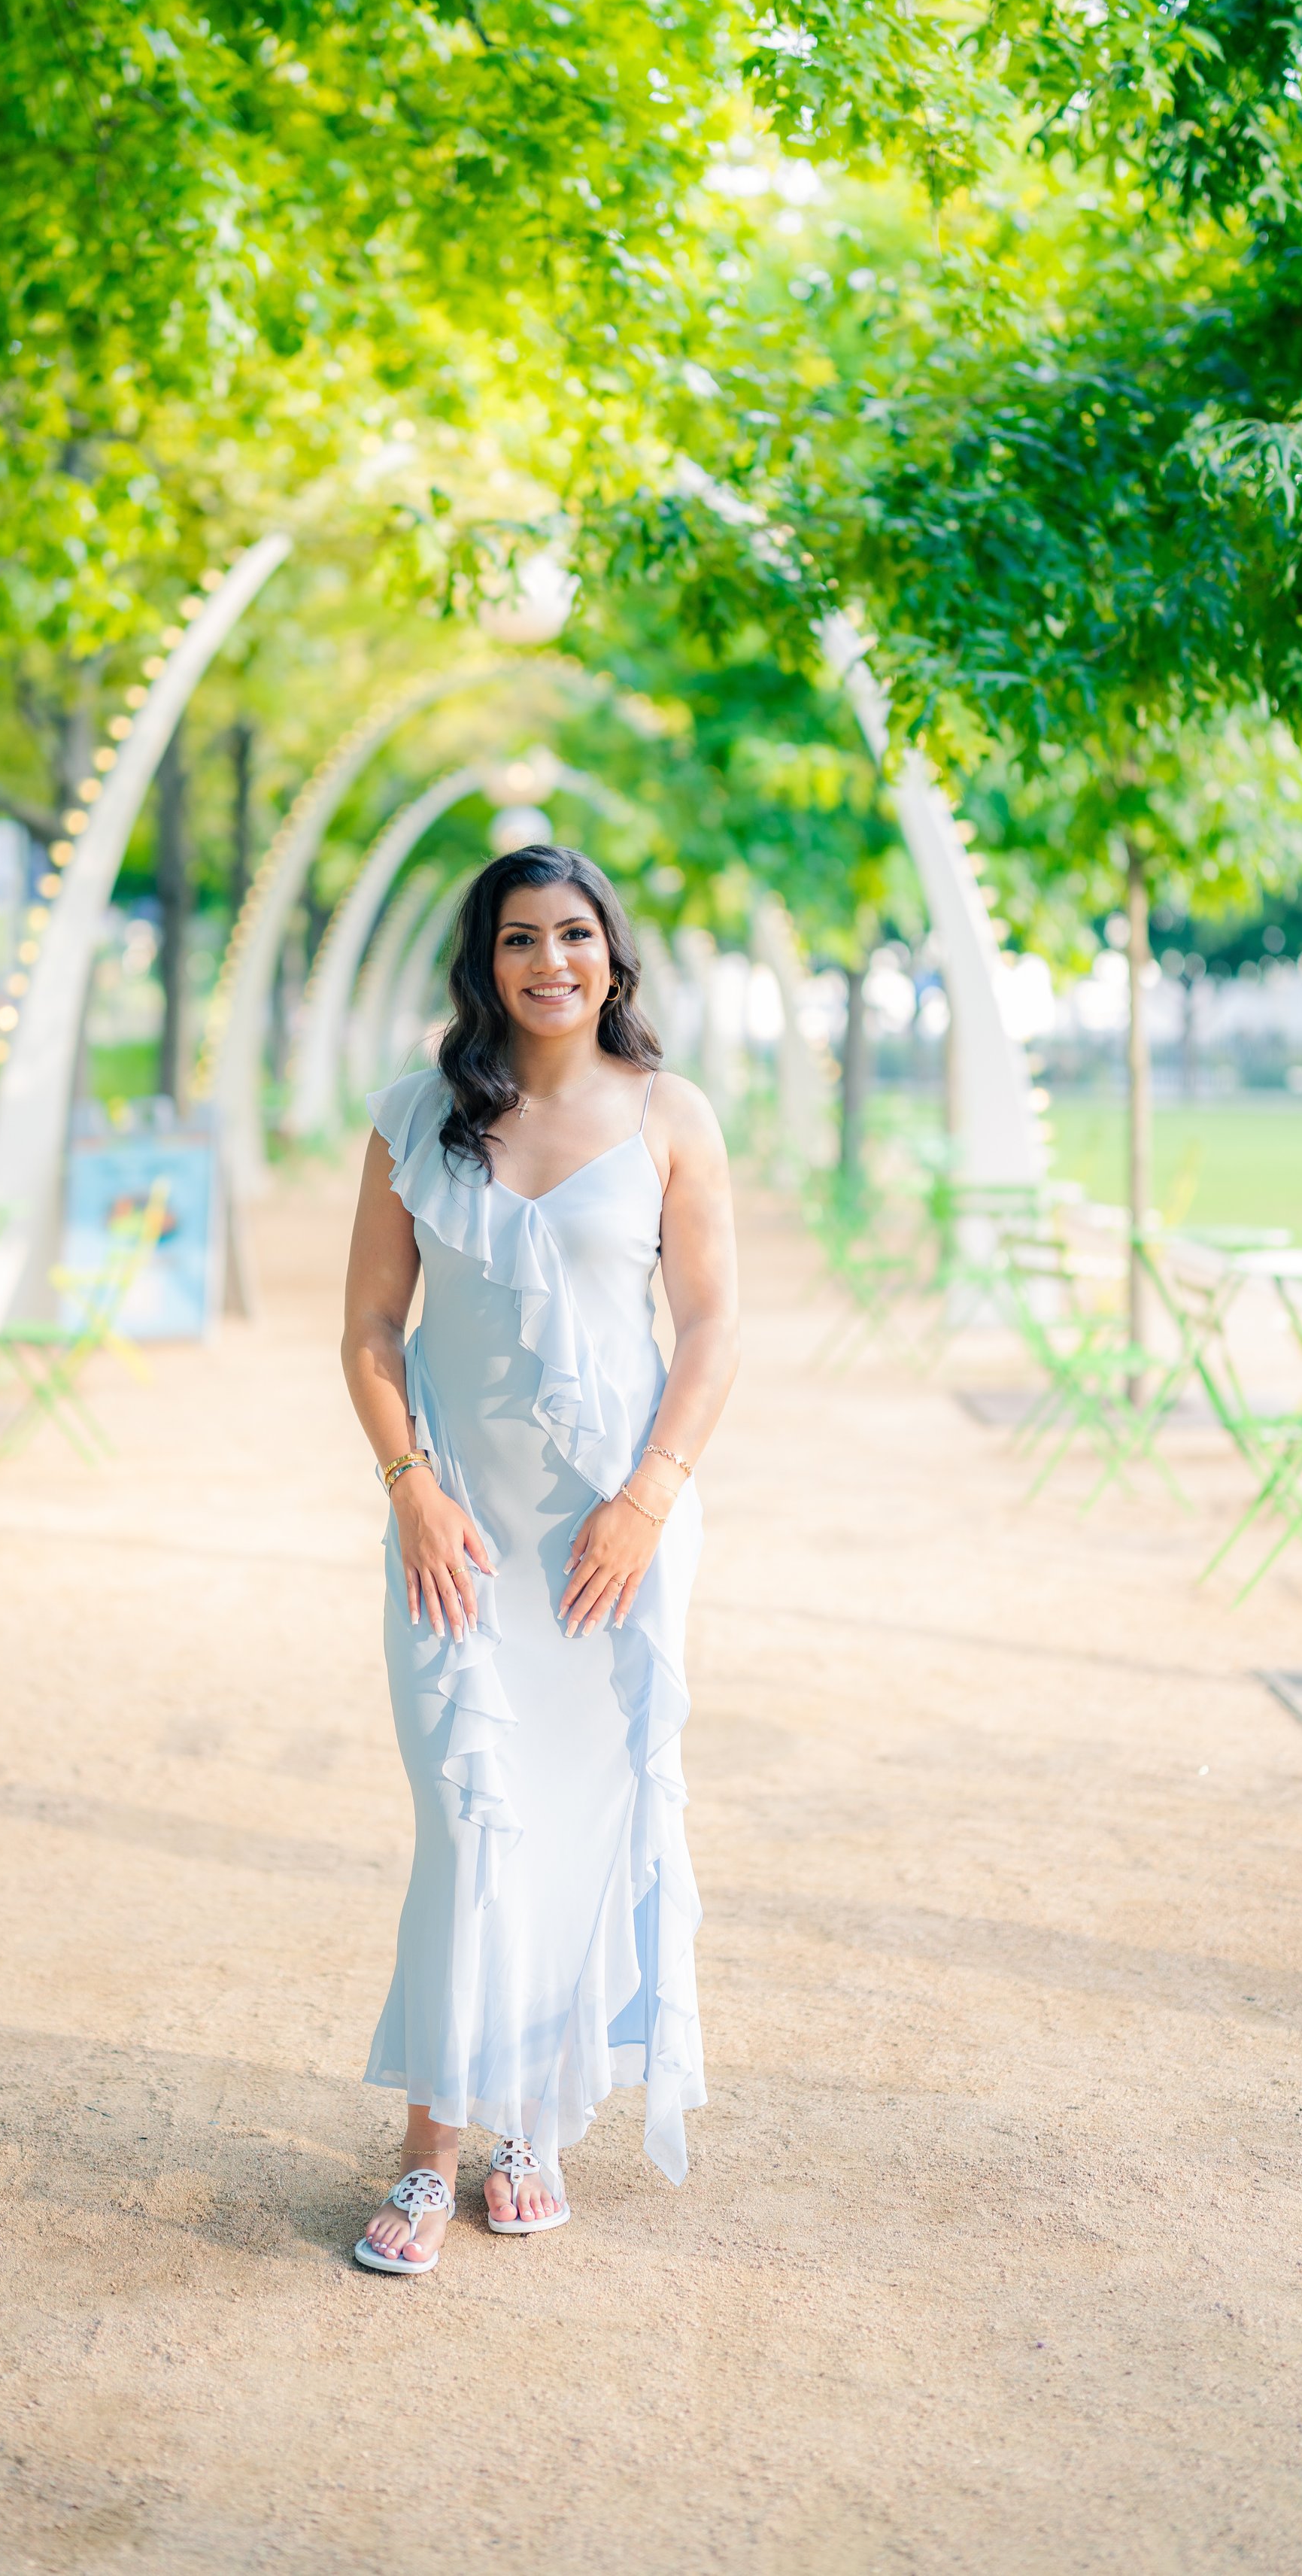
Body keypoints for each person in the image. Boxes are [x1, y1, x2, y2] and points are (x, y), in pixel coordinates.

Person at [340, 844, 739, 2274]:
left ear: (612, 954)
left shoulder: (669, 1116)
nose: (550, 961)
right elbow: (370, 1334)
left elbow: (709, 1331)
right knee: (467, 1821)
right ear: (486, 959)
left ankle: (533, 2127)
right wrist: (412, 1492)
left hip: (608, 1541)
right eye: (521, 937)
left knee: (579, 1821)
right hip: (453, 1534)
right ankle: (426, 2148)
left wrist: (645, 1501)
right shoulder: (416, 1118)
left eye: (575, 934)